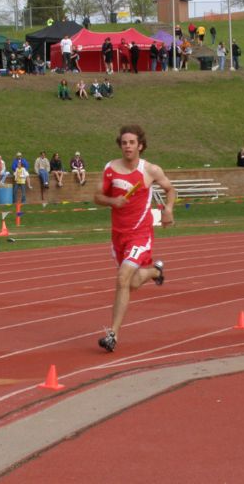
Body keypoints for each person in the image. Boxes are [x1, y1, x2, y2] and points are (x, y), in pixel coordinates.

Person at [94, 124, 176, 352]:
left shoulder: (150, 170)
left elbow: (170, 189)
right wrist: (112, 201)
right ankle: (154, 271)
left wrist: (168, 210)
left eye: (131, 142)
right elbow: (97, 196)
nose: (127, 146)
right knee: (131, 283)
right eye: (124, 143)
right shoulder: (110, 169)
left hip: (140, 235)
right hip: (118, 236)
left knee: (122, 279)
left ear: (140, 145)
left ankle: (112, 334)